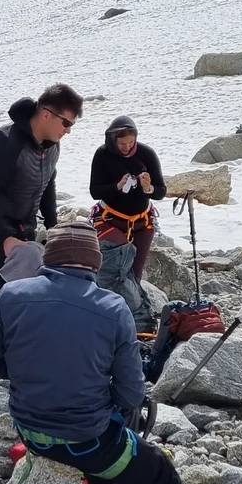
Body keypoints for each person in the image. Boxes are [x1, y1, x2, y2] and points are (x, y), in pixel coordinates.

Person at [0, 221, 229, 484]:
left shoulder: (10, 294)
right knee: (156, 465)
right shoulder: (112, 307)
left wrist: (30, 368)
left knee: (104, 444)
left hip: (31, 433)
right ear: (95, 261)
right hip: (85, 440)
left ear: (49, 257)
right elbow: (131, 394)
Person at [0, 83, 82, 344]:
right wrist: (5, 237)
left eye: (71, 125)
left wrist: (53, 228)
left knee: (28, 292)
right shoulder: (5, 141)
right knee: (0, 290)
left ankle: (13, 357)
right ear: (47, 113)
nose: (68, 131)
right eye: (66, 123)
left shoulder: (51, 146)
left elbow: (48, 185)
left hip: (23, 228)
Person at [89, 116, 165, 337]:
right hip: (110, 218)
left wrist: (149, 188)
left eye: (130, 143)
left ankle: (130, 322)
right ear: (113, 140)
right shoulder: (102, 154)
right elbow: (95, 191)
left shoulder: (146, 153)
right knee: (114, 270)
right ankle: (131, 319)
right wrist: (117, 186)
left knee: (134, 274)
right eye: (122, 144)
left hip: (142, 221)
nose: (127, 147)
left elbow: (161, 191)